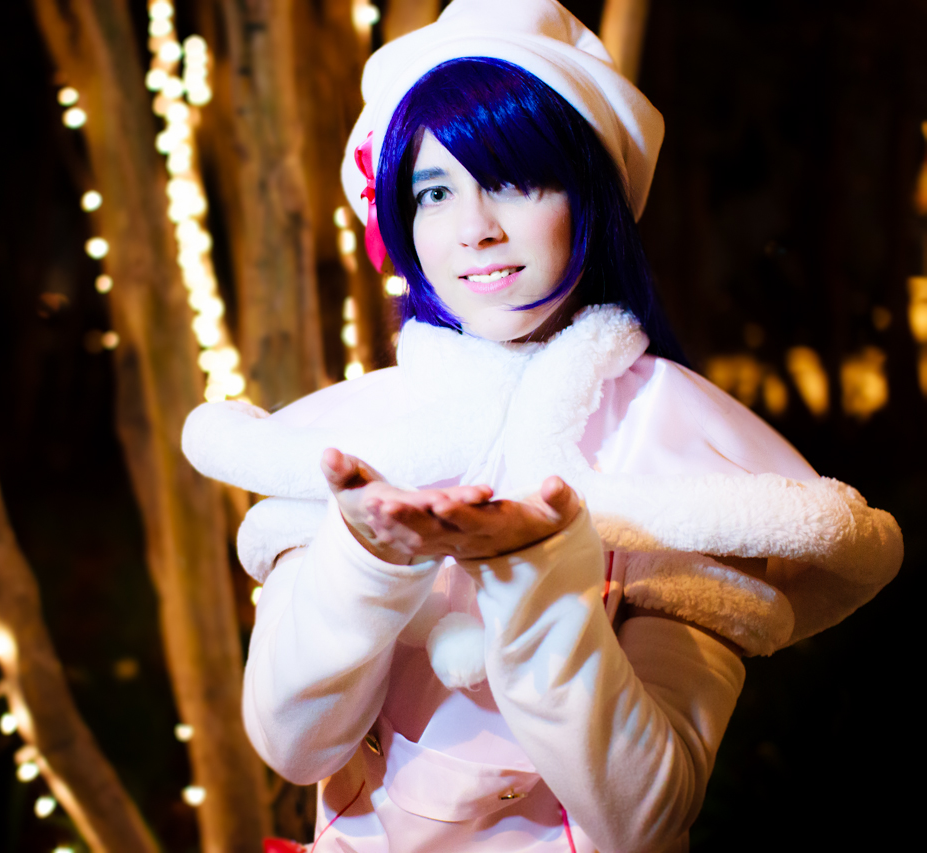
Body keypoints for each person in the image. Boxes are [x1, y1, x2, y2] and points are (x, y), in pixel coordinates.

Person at [182, 2, 903, 850]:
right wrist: (368, 560)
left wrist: (532, 575)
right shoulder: (356, 436)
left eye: (515, 181)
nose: (475, 228)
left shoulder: (685, 455)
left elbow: (647, 816)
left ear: (590, 196)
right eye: (435, 191)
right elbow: (294, 747)